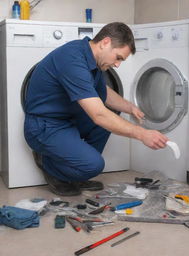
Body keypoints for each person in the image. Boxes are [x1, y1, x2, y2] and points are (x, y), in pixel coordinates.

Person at [24, 22, 168, 196]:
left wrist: (130, 107)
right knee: (94, 165)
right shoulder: (72, 59)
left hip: (68, 120)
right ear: (105, 42)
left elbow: (103, 93)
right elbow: (99, 114)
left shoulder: (93, 61)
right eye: (118, 57)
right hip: (44, 126)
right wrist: (142, 134)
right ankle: (51, 166)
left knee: (112, 115)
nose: (118, 64)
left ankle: (76, 169)